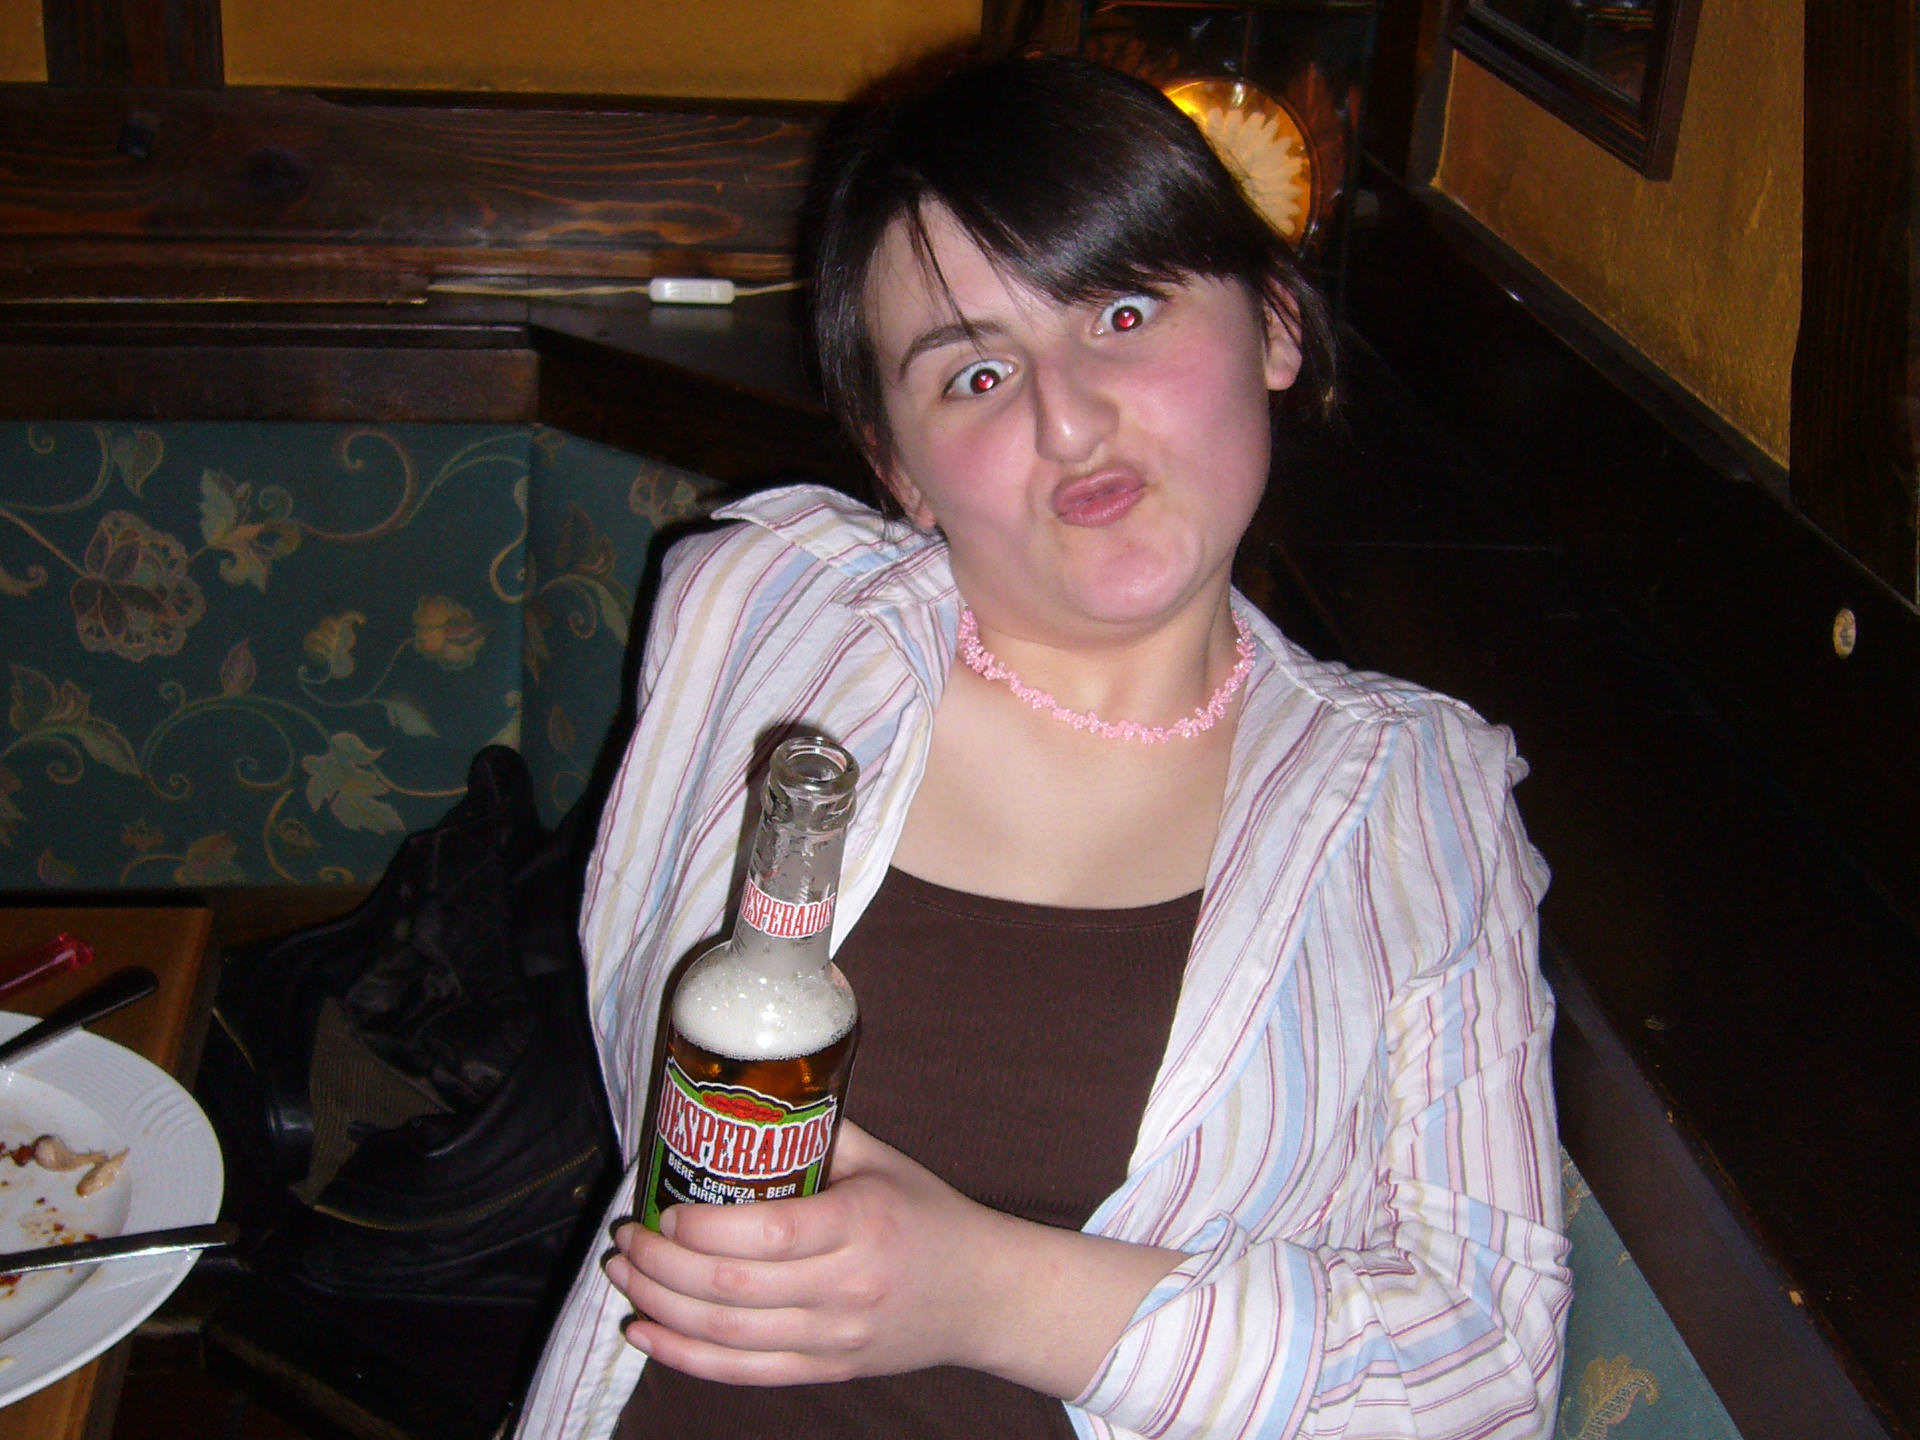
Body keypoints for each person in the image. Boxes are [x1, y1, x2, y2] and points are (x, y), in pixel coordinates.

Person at [517, 51, 1569, 1440]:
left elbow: (1490, 1364)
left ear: (1273, 324)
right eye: (975, 373)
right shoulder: (762, 608)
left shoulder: (1418, 800)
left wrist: (984, 1293)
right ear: (897, 466)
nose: (1066, 418)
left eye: (1122, 311)